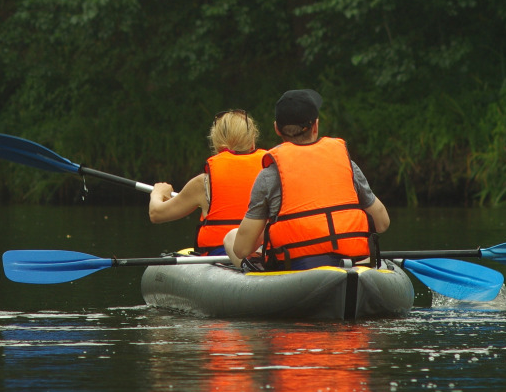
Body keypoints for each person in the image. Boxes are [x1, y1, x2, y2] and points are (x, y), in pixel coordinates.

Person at [223, 89, 391, 270]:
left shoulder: (269, 175)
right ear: (315, 126)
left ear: (277, 129)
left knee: (231, 237)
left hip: (296, 270)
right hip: (352, 263)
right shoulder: (346, 163)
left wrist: (270, 233)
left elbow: (241, 249)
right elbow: (382, 222)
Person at [148, 110, 267, 256]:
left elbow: (156, 214)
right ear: (252, 141)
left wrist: (157, 193)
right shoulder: (271, 174)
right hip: (263, 253)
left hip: (222, 256)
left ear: (216, 143)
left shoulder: (204, 183)